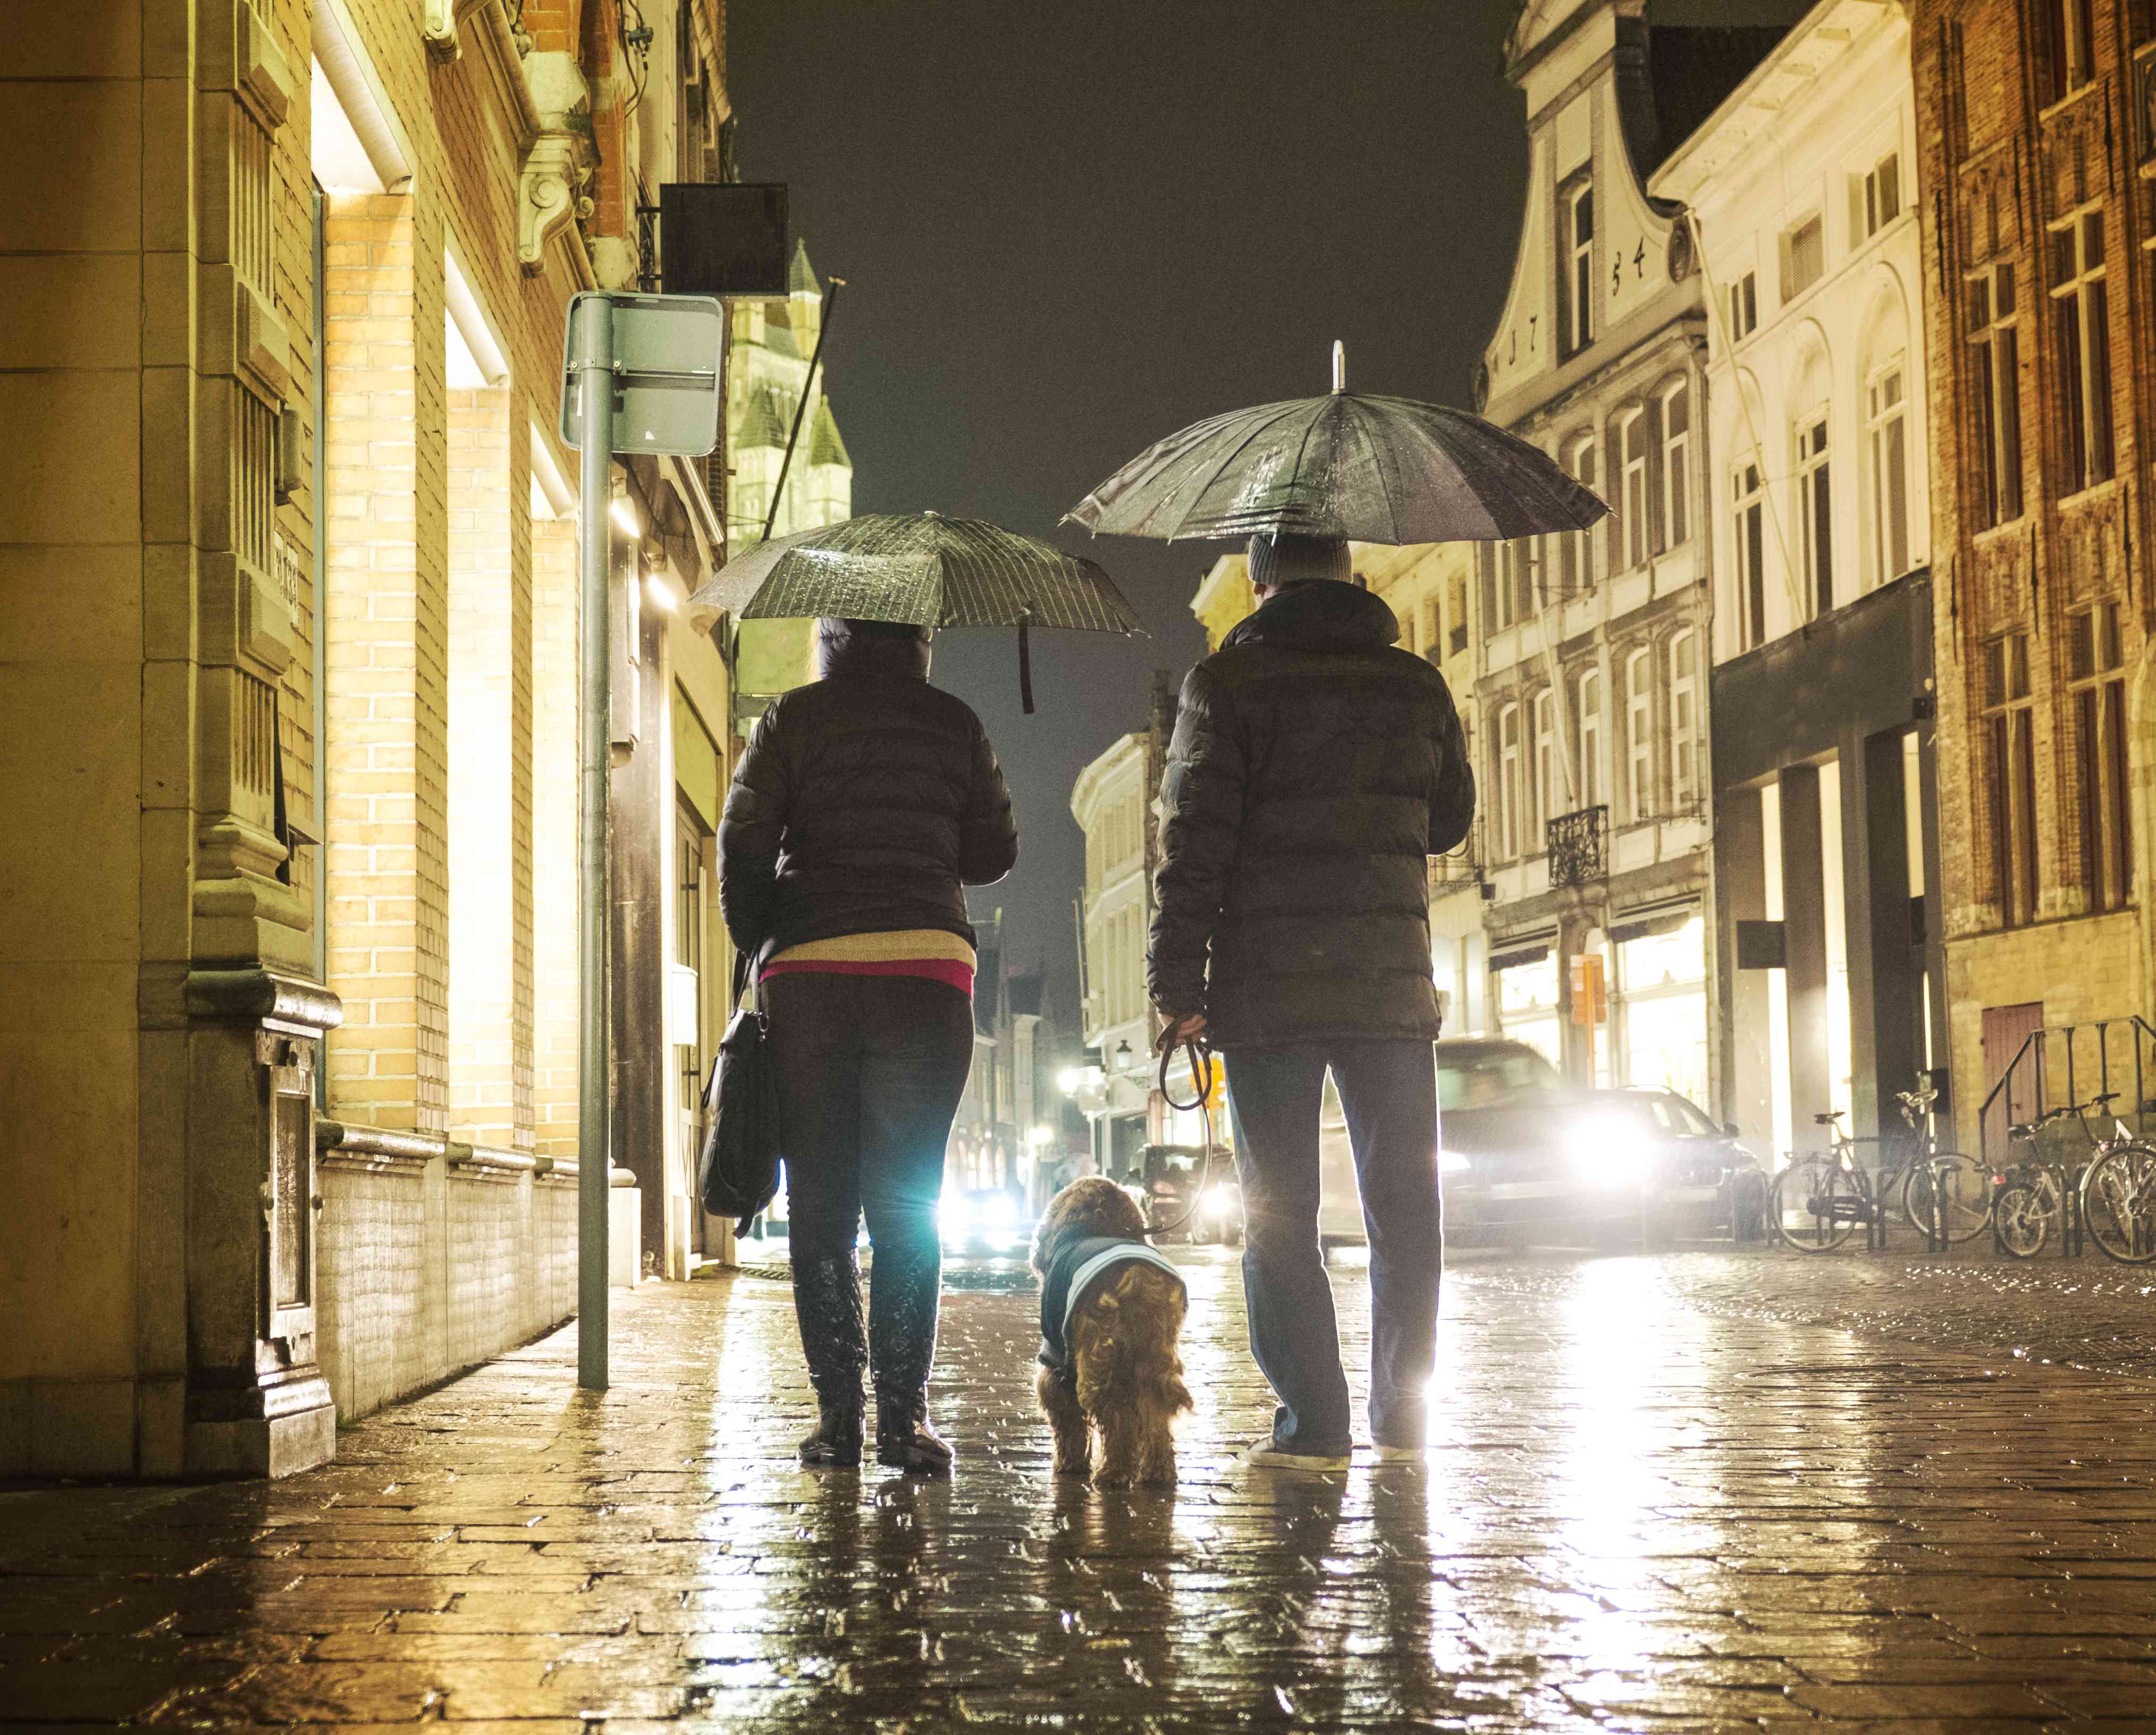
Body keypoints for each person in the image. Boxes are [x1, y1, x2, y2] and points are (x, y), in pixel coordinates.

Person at [1148, 533, 1474, 1470]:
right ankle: (1403, 1413)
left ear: (1259, 585)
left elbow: (1192, 847)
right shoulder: (1415, 685)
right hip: (1389, 989)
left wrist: (1177, 987)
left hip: (1267, 994)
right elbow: (1450, 816)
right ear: (1351, 575)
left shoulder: (1224, 688)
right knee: (1406, 1213)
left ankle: (1312, 1421)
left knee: (1280, 1213)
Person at [720, 617, 1017, 1472]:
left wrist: (765, 939)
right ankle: (905, 1421)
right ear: (923, 638)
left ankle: (838, 1421)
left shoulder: (791, 719)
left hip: (810, 977)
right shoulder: (955, 721)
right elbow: (994, 850)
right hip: (926, 975)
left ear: (831, 635)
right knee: (908, 1207)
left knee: (820, 1207)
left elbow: (742, 842)